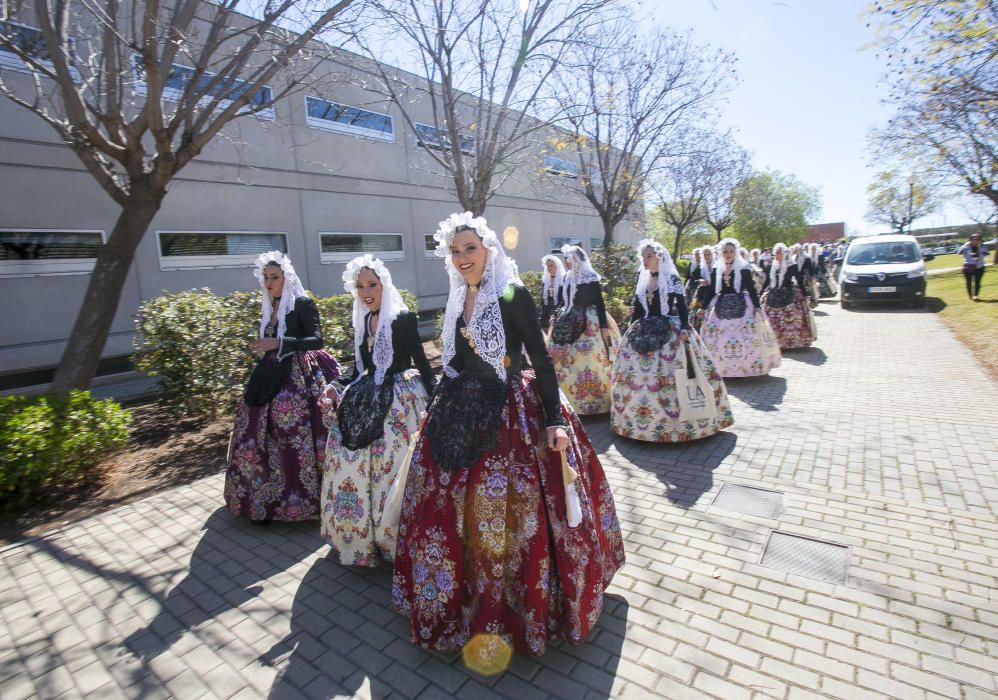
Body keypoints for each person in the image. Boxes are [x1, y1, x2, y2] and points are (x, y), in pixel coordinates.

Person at [391, 212, 625, 660]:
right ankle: (456, 600)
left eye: (470, 249)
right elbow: (455, 363)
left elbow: (540, 357)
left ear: (488, 251)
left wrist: (554, 421)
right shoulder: (458, 298)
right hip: (461, 408)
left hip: (512, 411)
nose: (461, 258)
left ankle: (516, 611)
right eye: (455, 251)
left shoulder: (511, 293)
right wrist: (436, 408)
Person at [320, 255, 435, 566]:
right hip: (365, 395)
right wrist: (335, 385)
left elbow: (422, 362)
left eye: (372, 284)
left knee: (391, 466)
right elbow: (358, 368)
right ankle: (359, 536)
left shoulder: (403, 319)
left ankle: (392, 539)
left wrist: (437, 397)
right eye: (360, 286)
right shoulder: (362, 320)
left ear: (384, 285)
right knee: (350, 461)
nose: (366, 291)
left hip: (400, 399)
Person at [225, 251, 341, 523]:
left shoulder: (301, 302)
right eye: (265, 277)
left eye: (274, 277)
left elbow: (316, 339)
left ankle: (305, 498)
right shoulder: (271, 303)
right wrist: (263, 347)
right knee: (254, 426)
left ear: (286, 277)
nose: (268, 282)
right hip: (270, 372)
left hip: (300, 374)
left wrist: (279, 343)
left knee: (292, 429)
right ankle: (260, 497)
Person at [611, 239, 734, 442]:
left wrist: (684, 328)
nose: (645, 260)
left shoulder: (672, 278)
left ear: (659, 257)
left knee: (675, 374)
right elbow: (639, 309)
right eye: (643, 256)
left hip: (670, 330)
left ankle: (680, 425)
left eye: (649, 256)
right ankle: (637, 423)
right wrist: (629, 331)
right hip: (644, 330)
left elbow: (683, 306)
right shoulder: (642, 278)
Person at [548, 245, 620, 415]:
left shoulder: (590, 277)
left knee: (591, 359)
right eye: (565, 259)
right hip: (568, 319)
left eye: (569, 259)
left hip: (590, 322)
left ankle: (597, 403)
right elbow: (563, 301)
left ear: (577, 260)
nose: (566, 262)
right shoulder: (566, 278)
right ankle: (567, 400)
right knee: (562, 358)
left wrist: (603, 327)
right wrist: (555, 314)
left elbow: (600, 304)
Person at [700, 238, 782, 377]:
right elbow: (712, 289)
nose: (728, 254)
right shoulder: (717, 268)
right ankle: (721, 368)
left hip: (742, 304)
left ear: (735, 252)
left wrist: (756, 307)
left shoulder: (743, 268)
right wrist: (703, 307)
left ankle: (747, 367)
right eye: (725, 251)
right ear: (721, 253)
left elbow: (751, 288)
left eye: (731, 251)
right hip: (720, 305)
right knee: (718, 336)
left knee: (747, 337)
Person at [761, 243, 816, 350]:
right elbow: (767, 281)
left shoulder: (792, 266)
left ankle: (791, 342)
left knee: (791, 315)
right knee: (770, 316)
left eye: (779, 253)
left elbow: (799, 281)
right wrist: (761, 293)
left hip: (789, 292)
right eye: (776, 253)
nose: (777, 255)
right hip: (773, 293)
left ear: (784, 254)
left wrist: (805, 295)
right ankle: (775, 342)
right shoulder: (772, 267)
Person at [690, 245, 716, 330]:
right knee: (698, 317)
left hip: (715, 294)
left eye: (709, 254)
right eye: (705, 255)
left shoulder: (717, 266)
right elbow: (693, 279)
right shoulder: (700, 267)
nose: (707, 256)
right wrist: (700, 281)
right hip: (702, 294)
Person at [537, 254, 566, 332]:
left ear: (557, 266)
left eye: (551, 265)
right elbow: (543, 300)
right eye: (547, 266)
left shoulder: (563, 280)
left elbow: (564, 299)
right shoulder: (545, 281)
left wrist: (555, 313)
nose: (549, 268)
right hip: (546, 312)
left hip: (558, 310)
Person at [959, 233, 989, 301]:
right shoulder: (967, 247)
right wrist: (964, 245)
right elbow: (959, 252)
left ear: (980, 240)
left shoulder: (983, 246)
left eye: (978, 239)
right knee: (968, 282)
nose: (976, 240)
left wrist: (979, 247)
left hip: (979, 267)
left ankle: (976, 295)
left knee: (977, 282)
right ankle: (970, 296)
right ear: (970, 240)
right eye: (974, 239)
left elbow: (986, 253)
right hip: (969, 267)